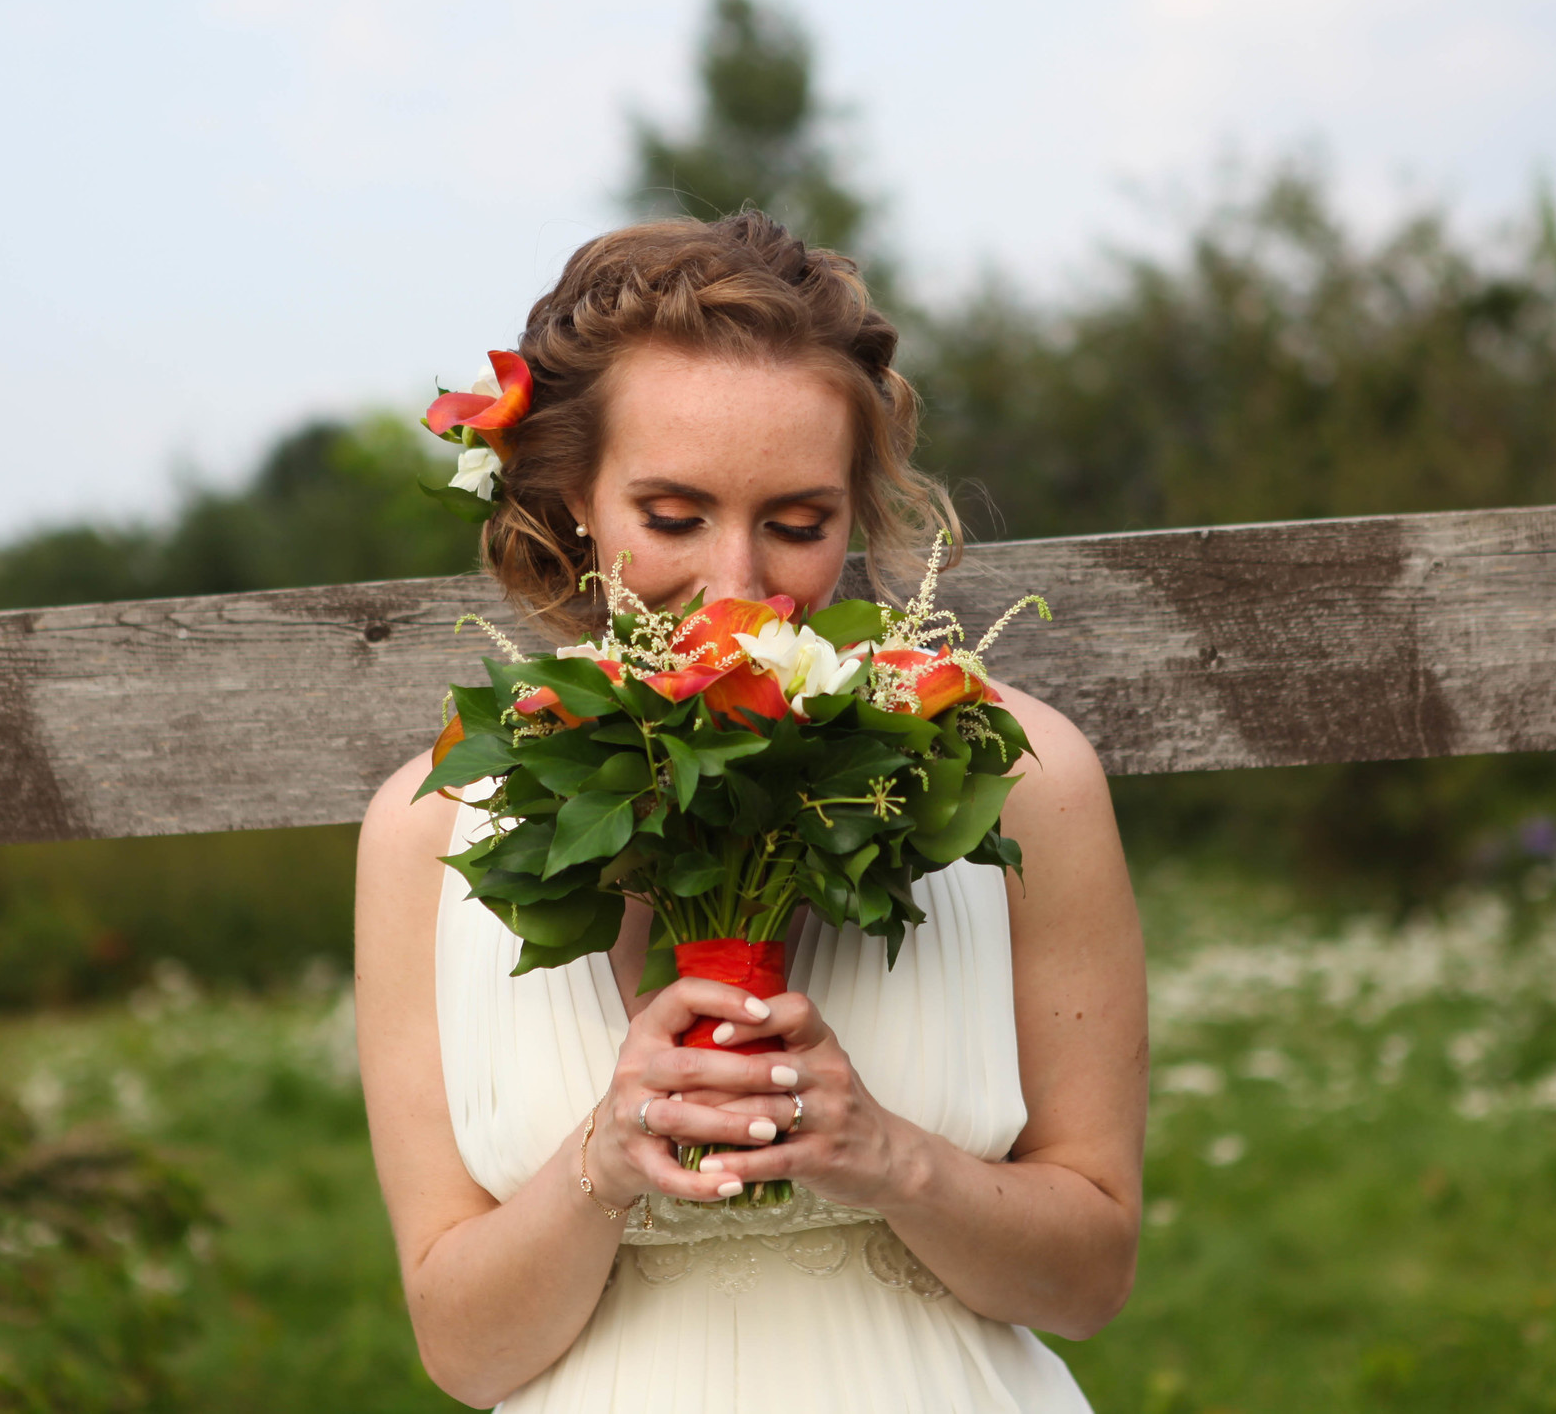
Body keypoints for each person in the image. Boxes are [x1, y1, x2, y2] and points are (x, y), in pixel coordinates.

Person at [356, 213, 1147, 1411]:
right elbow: (464, 1355)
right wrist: (600, 1165)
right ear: (572, 497)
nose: (736, 587)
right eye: (673, 518)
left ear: (856, 512)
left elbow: (1088, 1282)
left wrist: (891, 1160)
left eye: (795, 524)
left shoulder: (1024, 773)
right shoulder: (425, 832)